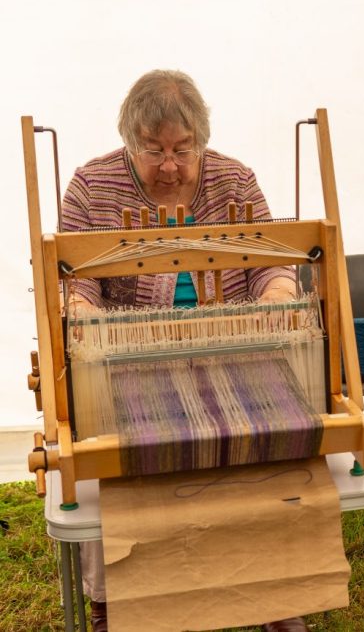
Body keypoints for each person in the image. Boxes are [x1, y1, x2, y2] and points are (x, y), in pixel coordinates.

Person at [65, 70, 304, 632]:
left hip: (233, 357)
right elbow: (73, 280)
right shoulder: (90, 187)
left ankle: (277, 596)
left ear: (201, 140)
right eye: (154, 151)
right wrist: (87, 319)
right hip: (129, 368)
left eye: (183, 149)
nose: (170, 165)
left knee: (273, 449)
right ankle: (112, 601)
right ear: (129, 143)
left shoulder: (234, 181)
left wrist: (277, 292)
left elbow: (271, 259)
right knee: (106, 453)